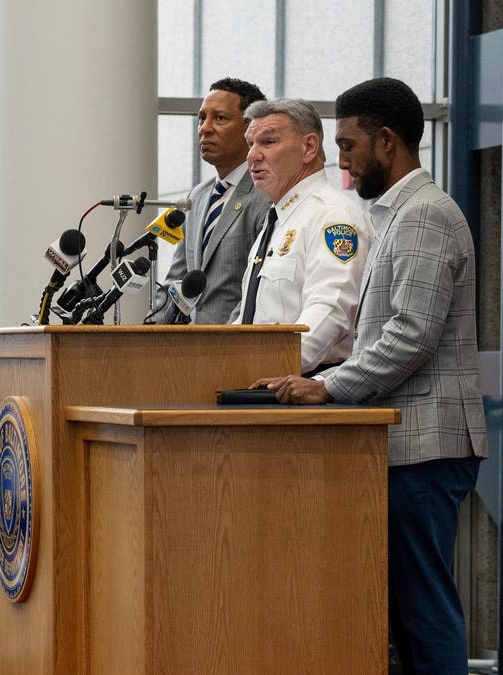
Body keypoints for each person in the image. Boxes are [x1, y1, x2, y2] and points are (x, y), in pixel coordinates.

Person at [253, 78, 486, 674]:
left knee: (423, 607)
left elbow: (410, 333)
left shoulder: (425, 215)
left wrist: (328, 385)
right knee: (408, 611)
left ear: (388, 141)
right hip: (409, 439)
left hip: (426, 443)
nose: (343, 159)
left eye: (350, 145)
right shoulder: (398, 214)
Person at [233, 98, 371, 375]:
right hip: (261, 382)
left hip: (304, 386)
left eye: (268, 142)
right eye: (251, 144)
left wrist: (261, 368)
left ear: (308, 147)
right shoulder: (278, 219)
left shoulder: (333, 217)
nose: (253, 156)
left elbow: (331, 309)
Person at [156, 77, 272, 325]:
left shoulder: (265, 196)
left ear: (250, 128)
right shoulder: (197, 196)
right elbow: (175, 280)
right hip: (186, 350)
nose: (205, 128)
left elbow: (259, 290)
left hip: (233, 348)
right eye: (201, 118)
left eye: (220, 118)